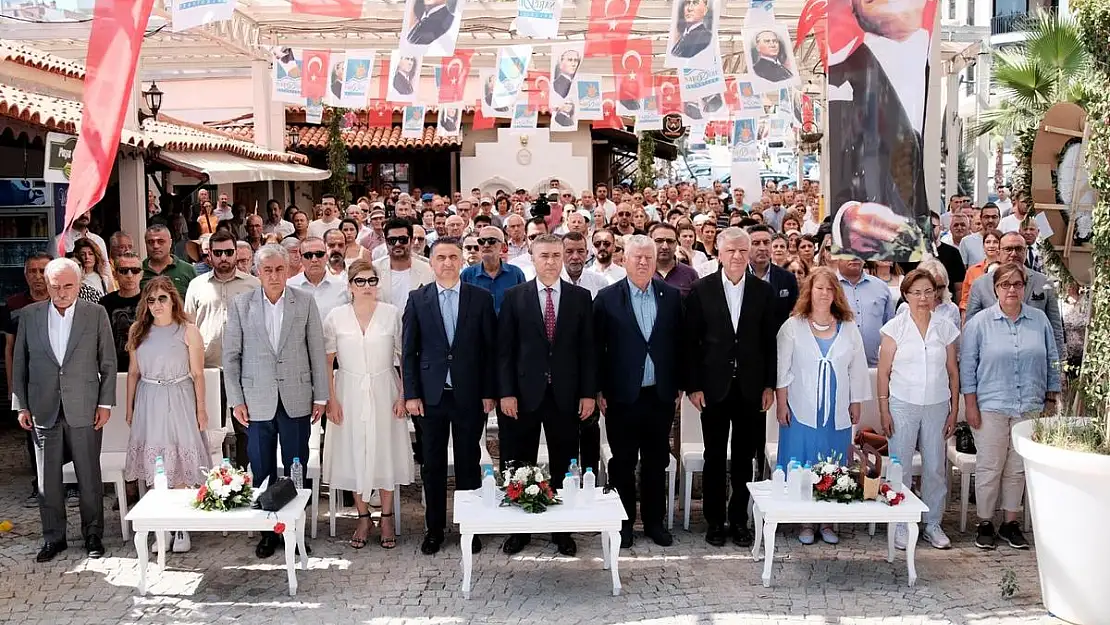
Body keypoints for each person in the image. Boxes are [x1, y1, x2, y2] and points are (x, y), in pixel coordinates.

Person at [223, 244, 329, 559]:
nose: (273, 275)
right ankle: (268, 531)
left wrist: (320, 395)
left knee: (296, 466)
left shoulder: (305, 303)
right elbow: (231, 357)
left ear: (288, 270)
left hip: (297, 397)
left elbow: (316, 352)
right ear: (258, 271)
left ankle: (294, 530)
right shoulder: (241, 304)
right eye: (267, 269)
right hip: (256, 401)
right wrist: (236, 399)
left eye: (279, 269)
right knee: (262, 468)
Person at [497, 234, 596, 557]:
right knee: (518, 463)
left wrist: (588, 394)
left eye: (556, 255)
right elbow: (505, 352)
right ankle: (519, 529)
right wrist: (507, 393)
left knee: (565, 465)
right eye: (545, 256)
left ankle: (562, 530)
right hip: (524, 396)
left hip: (565, 395)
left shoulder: (580, 298)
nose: (551, 261)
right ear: (533, 258)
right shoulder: (515, 297)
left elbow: (587, 350)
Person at [12, 257, 117, 562]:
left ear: (79, 284)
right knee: (47, 481)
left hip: (84, 406)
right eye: (55, 286)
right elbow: (20, 364)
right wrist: (21, 406)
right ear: (46, 285)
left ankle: (93, 534)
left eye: (68, 286)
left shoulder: (95, 314)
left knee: (88, 476)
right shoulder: (30, 316)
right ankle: (53, 538)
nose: (61, 292)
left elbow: (107, 362)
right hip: (43, 407)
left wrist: (105, 403)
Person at [402, 237, 497, 555]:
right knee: (432, 464)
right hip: (431, 396)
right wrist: (411, 394)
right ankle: (435, 529)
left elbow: (488, 350)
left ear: (462, 261)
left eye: (453, 257)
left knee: (469, 461)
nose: (447, 262)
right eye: (440, 257)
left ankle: (469, 525)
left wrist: (488, 392)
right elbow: (409, 351)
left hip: (469, 395)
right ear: (431, 262)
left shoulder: (480, 298)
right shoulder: (418, 299)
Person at [685, 228, 777, 547]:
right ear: (719, 254)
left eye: (742, 251)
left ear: (749, 253)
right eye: (730, 251)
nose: (737, 256)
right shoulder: (701, 289)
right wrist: (693, 386)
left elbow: (770, 344)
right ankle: (714, 521)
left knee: (743, 458)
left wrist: (769, 385)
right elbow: (692, 344)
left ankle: (739, 519)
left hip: (751, 389)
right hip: (713, 388)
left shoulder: (763, 292)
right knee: (714, 456)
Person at [961, 263, 1061, 550]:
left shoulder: (1039, 320)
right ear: (995, 289)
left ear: (1025, 287)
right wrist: (970, 405)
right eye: (1005, 285)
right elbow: (968, 367)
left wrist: (1051, 399)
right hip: (991, 403)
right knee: (990, 466)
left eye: (1017, 284)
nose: (1011, 290)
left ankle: (1010, 523)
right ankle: (985, 523)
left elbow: (1052, 359)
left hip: (1029, 404)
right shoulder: (979, 324)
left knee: (1017, 467)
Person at [594, 235, 684, 549]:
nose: (644, 262)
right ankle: (624, 523)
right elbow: (596, 348)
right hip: (621, 396)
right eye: (637, 257)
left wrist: (677, 385)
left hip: (659, 394)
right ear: (625, 260)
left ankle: (655, 522)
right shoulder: (607, 298)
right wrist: (599, 389)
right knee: (623, 462)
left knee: (656, 460)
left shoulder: (671, 296)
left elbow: (678, 343)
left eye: (649, 257)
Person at [827, 0, 931, 259]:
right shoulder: (842, 72)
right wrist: (846, 217)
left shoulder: (930, 65)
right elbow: (841, 160)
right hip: (875, 247)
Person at [775, 267, 870, 545]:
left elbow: (858, 368)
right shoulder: (793, 326)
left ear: (836, 294)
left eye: (830, 289)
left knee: (833, 460)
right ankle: (805, 521)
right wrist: (782, 404)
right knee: (805, 459)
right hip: (801, 407)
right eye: (819, 288)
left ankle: (828, 520)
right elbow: (783, 369)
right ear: (809, 291)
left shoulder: (849, 328)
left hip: (836, 408)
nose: (825, 293)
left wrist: (856, 401)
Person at [323, 260, 414, 550]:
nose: (366, 287)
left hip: (384, 388)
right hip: (347, 390)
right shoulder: (336, 317)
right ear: (349, 286)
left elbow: (403, 358)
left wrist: (403, 395)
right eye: (359, 281)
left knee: (384, 450)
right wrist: (331, 399)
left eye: (371, 281)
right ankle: (363, 516)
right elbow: (327, 361)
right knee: (353, 451)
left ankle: (386, 516)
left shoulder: (391, 315)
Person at [123, 276, 210, 553]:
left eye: (162, 298)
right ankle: (161, 527)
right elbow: (134, 372)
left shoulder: (188, 330)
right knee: (156, 463)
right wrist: (129, 406)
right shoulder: (138, 330)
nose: (157, 304)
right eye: (151, 300)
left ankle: (181, 525)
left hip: (180, 396)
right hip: (150, 398)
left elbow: (197, 374)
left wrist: (201, 409)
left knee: (180, 463)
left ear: (173, 299)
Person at [877, 269, 960, 551]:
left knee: (935, 466)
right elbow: (883, 372)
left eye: (928, 291)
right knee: (900, 466)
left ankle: (932, 524)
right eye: (917, 292)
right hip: (902, 403)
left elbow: (952, 372)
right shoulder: (894, 328)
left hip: (937, 405)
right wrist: (884, 410)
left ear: (936, 294)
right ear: (906, 295)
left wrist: (954, 410)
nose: (923, 298)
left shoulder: (945, 326)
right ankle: (900, 522)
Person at [184, 231, 260, 468]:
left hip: (245, 368)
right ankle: (214, 484)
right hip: (208, 369)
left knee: (246, 428)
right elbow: (188, 327)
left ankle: (248, 481)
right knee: (210, 430)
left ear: (237, 253)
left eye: (229, 252)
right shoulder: (196, 286)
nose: (224, 257)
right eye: (218, 253)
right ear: (209, 256)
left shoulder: (253, 284)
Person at [3, 253, 53, 508]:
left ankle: (70, 484)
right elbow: (10, 349)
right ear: (25, 275)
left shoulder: (61, 300)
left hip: (58, 380)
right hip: (31, 381)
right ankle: (40, 484)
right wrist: (14, 387)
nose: (37, 276)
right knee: (34, 435)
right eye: (32, 271)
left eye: (42, 270)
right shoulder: (14, 305)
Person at [965, 232, 1065, 357]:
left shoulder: (1043, 283)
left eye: (1019, 249)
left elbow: (1055, 327)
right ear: (999, 252)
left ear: (1025, 251)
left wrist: (1059, 364)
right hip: (994, 361)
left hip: (1034, 359)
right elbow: (970, 328)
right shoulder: (980, 284)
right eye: (1008, 249)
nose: (1014, 254)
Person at [835, 256, 895, 366]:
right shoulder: (828, 287)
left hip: (875, 367)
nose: (854, 256)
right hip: (839, 368)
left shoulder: (881, 287)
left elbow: (891, 329)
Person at [460, 226, 526, 314]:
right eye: (482, 241)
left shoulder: (516, 274)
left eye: (491, 241)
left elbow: (524, 307)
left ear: (503, 246)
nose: (486, 245)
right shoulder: (467, 275)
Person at [373, 218, 436, 310]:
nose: (397, 244)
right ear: (386, 242)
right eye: (392, 240)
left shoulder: (428, 270)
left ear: (410, 240)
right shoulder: (374, 269)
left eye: (403, 239)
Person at [747, 225, 800, 329]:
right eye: (756, 243)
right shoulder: (738, 276)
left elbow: (795, 312)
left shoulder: (787, 278)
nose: (762, 248)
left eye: (766, 243)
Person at [288, 237, 350, 323]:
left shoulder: (343, 287)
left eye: (319, 254)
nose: (314, 260)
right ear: (300, 258)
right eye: (308, 255)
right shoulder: (289, 287)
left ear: (327, 256)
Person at [142, 224, 197, 299]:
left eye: (161, 241)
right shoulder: (136, 271)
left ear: (170, 243)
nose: (155, 246)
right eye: (150, 242)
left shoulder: (187, 270)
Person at [650, 222, 699, 297]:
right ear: (650, 242)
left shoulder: (690, 274)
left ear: (676, 244)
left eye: (670, 241)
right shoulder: (641, 272)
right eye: (659, 241)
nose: (665, 246)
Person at [959, 229, 1002, 312]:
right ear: (983, 246)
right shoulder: (972, 271)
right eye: (988, 242)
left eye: (995, 242)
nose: (991, 245)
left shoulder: (1008, 269)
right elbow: (965, 300)